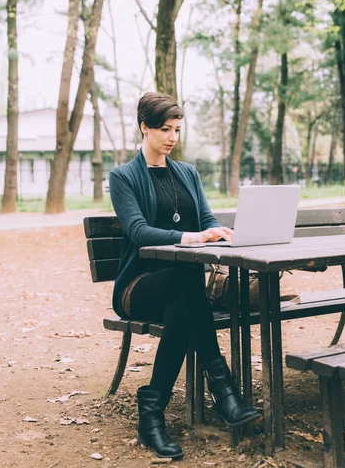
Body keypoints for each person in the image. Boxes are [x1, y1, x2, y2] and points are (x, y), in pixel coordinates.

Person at [109, 92, 261, 460]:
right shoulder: (123, 177)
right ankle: (222, 391)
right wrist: (193, 238)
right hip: (138, 286)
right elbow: (139, 232)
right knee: (185, 282)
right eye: (164, 129)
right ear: (144, 127)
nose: (172, 137)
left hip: (181, 289)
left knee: (182, 303)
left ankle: (152, 412)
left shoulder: (188, 173)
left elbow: (206, 219)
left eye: (177, 129)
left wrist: (221, 232)